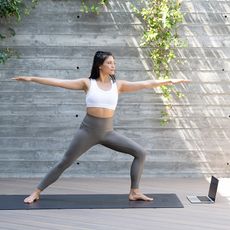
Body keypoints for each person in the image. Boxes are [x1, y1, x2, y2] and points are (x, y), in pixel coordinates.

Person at [13, 51, 190, 204]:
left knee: (141, 153)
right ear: (100, 65)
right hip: (87, 131)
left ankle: (134, 191)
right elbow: (59, 82)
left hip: (107, 132)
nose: (114, 66)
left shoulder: (118, 85)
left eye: (114, 63)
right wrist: (32, 78)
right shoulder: (87, 83)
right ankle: (36, 192)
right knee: (65, 162)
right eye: (110, 63)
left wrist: (170, 81)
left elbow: (145, 83)